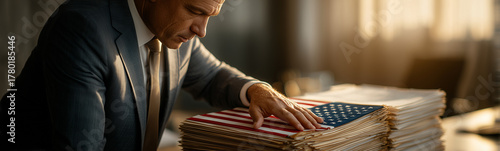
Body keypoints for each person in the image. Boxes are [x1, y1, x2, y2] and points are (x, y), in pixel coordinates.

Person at [0, 0, 323, 150]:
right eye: (195, 11)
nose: (202, 30)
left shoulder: (174, 32)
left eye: (210, 15)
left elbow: (212, 76)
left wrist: (258, 90)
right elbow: (82, 146)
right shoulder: (82, 26)